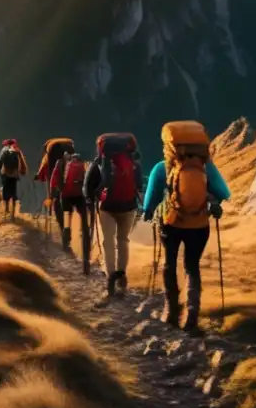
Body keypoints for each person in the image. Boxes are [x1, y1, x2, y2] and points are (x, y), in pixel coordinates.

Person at [143, 121, 231, 332]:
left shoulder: (161, 168)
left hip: (172, 222)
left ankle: (171, 310)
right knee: (192, 266)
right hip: (199, 225)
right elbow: (224, 192)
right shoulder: (205, 166)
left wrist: (147, 212)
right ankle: (192, 311)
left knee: (170, 263)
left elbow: (151, 200)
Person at [84, 133, 143, 298]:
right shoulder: (134, 164)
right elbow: (139, 185)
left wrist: (90, 198)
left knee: (108, 241)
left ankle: (110, 276)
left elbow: (88, 185)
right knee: (123, 240)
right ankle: (121, 275)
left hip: (107, 207)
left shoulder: (100, 163)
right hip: (129, 206)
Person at [49, 146, 88, 251]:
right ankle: (86, 240)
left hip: (65, 196)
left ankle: (66, 243)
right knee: (84, 217)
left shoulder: (60, 163)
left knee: (67, 218)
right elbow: (86, 180)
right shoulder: (81, 162)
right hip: (79, 195)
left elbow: (54, 178)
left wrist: (54, 193)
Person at [0, 138, 28, 218]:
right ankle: (12, 211)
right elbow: (22, 161)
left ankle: (6, 209)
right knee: (13, 191)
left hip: (5, 173)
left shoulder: (4, 150)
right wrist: (23, 170)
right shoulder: (17, 150)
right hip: (14, 175)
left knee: (6, 189)